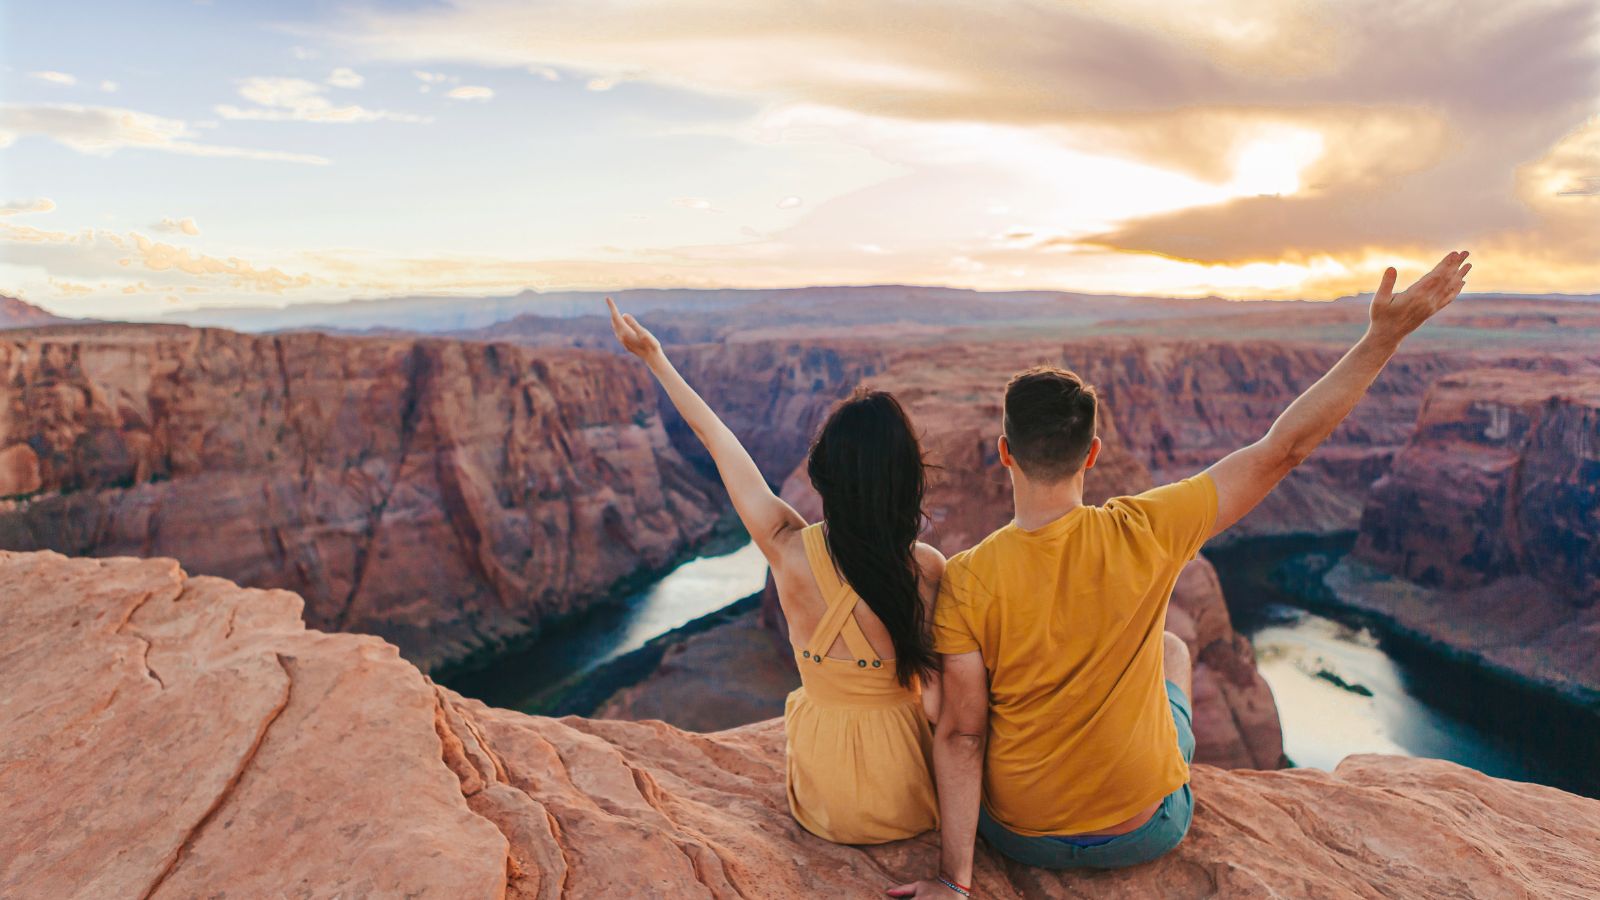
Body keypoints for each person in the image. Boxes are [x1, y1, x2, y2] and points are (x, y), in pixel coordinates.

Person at [891, 252, 1472, 896]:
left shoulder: (969, 577)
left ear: (1004, 452)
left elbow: (964, 732)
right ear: (1094, 453)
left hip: (1021, 831)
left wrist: (955, 882)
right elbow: (1283, 449)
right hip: (1148, 828)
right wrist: (1381, 338)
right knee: (1172, 647)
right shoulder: (1150, 526)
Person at [607, 297, 944, 844]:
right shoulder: (924, 568)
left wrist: (656, 359)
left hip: (823, 802)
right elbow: (939, 705)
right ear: (907, 481)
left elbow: (718, 445)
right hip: (904, 797)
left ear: (822, 477)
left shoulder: (786, 549)